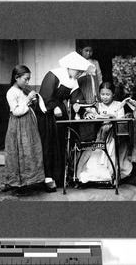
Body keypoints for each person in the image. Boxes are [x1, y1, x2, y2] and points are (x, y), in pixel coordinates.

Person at [34, 51, 96, 192]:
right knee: (48, 144)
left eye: (81, 72)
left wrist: (84, 109)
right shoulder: (53, 75)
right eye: (78, 71)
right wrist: (54, 107)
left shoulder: (73, 81)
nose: (80, 74)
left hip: (60, 115)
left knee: (60, 143)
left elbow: (76, 99)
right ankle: (47, 178)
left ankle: (58, 176)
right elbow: (44, 95)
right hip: (46, 114)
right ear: (70, 67)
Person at [76, 82, 133, 187]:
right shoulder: (98, 105)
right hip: (101, 136)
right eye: (102, 94)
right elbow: (91, 113)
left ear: (113, 94)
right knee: (95, 153)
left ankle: (111, 175)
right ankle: (96, 176)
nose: (105, 97)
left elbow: (121, 121)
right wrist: (89, 114)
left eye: (108, 94)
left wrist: (112, 118)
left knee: (112, 148)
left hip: (114, 135)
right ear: (99, 94)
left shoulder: (119, 105)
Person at [2, 65, 46, 196]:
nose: (28, 82)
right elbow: (16, 111)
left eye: (29, 79)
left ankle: (29, 180)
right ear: (16, 78)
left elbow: (24, 106)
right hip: (19, 126)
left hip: (27, 126)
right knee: (21, 151)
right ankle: (19, 182)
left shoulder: (21, 90)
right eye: (26, 79)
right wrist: (27, 100)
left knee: (30, 150)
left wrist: (30, 100)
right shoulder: (11, 92)